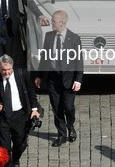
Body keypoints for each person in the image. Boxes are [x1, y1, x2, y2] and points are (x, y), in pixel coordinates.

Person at [35, 10, 83, 147]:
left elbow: (79, 61)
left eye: (54, 21)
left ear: (62, 23)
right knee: (56, 108)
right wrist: (39, 75)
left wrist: (78, 80)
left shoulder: (74, 38)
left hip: (68, 78)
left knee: (68, 107)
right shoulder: (49, 36)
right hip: (53, 78)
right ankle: (61, 134)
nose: (51, 23)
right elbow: (44, 58)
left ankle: (70, 126)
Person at [0, 55, 41, 167]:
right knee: (3, 148)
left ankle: (15, 159)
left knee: (20, 144)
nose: (7, 73)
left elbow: (31, 91)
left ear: (12, 67)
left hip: (20, 115)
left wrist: (34, 109)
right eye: (3, 70)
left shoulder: (22, 74)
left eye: (9, 70)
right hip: (3, 117)